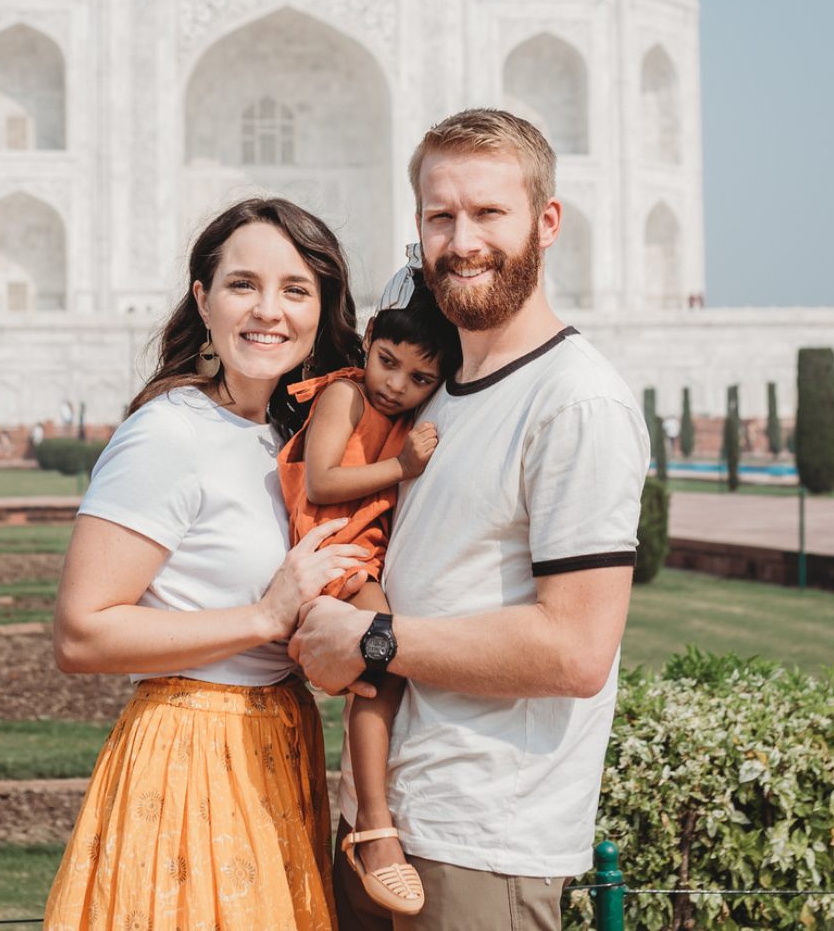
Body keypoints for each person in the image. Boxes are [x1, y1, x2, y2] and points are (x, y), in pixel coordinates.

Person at [292, 109, 646, 931]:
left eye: (489, 213)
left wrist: (372, 640)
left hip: (483, 844)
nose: (463, 240)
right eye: (440, 216)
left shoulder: (575, 402)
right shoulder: (436, 391)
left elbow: (576, 650)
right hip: (382, 828)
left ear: (546, 222)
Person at [47, 197, 372, 931]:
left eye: (295, 290)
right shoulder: (170, 434)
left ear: (323, 309)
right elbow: (80, 635)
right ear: (203, 298)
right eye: (242, 285)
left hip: (276, 744)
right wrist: (264, 614)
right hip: (190, 755)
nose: (269, 311)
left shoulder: (286, 433)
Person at [279, 255, 457, 916]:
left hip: (359, 556)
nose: (397, 384)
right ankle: (375, 833)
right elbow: (322, 482)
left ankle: (368, 821)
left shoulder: (399, 410)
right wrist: (400, 466)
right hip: (333, 555)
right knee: (386, 659)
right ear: (369, 339)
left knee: (379, 676)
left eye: (420, 378)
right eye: (388, 360)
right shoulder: (345, 393)